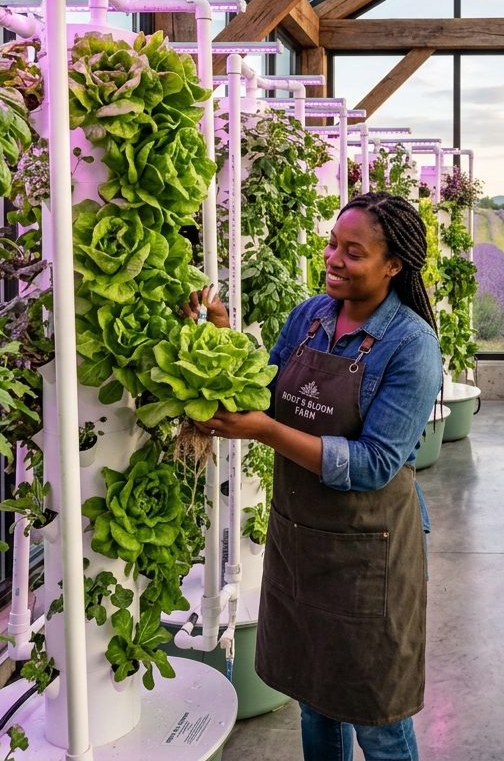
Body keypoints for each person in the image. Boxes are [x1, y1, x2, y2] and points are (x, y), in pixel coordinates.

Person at [183, 191, 443, 761]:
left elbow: (376, 462)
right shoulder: (309, 316)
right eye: (332, 244)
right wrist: (222, 337)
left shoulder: (412, 345)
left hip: (369, 551)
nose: (333, 258)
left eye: (354, 251)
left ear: (393, 264)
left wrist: (265, 433)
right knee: (314, 697)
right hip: (301, 537)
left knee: (376, 713)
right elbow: (264, 392)